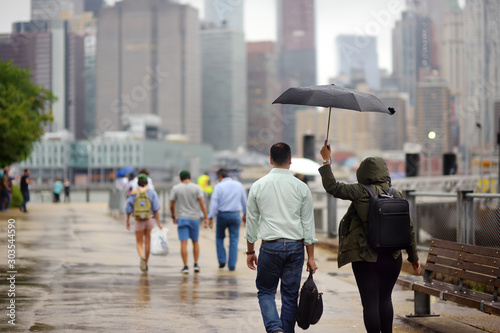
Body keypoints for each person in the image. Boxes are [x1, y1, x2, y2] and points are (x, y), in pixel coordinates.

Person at [319, 141, 421, 333]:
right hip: (392, 257)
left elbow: (333, 187)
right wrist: (414, 258)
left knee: (370, 302)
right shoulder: (396, 194)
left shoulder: (359, 191)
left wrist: (326, 160)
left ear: (363, 173)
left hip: (366, 257)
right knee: (385, 298)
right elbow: (409, 228)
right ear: (385, 172)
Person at [245, 142, 318, 333]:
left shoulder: (258, 186)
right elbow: (308, 225)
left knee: (266, 292)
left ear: (270, 160)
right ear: (290, 160)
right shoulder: (301, 187)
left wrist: (250, 251)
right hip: (295, 247)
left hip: (270, 247)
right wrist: (310, 257)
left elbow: (252, 222)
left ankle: (274, 328)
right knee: (290, 296)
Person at [169, 170, 209, 274]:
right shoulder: (196, 187)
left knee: (183, 242)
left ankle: (185, 266)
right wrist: (206, 217)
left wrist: (173, 216)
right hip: (194, 218)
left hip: (182, 217)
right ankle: (196, 264)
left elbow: (172, 204)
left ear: (180, 178)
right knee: (195, 242)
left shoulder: (176, 188)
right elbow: (202, 203)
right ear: (190, 177)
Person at [208, 168, 247, 271]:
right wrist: (245, 214)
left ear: (220, 176)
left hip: (222, 215)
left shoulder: (218, 186)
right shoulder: (238, 185)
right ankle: (232, 265)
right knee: (234, 240)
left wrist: (211, 217)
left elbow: (214, 203)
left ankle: (222, 260)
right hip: (235, 215)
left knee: (220, 238)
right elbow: (244, 200)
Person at [125, 173, 162, 272]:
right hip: (149, 219)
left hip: (138, 219)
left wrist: (127, 220)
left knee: (139, 242)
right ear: (146, 182)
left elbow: (128, 208)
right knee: (147, 242)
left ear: (138, 183)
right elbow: (156, 208)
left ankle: (141, 257)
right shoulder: (152, 193)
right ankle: (146, 262)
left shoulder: (133, 193)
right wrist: (158, 222)